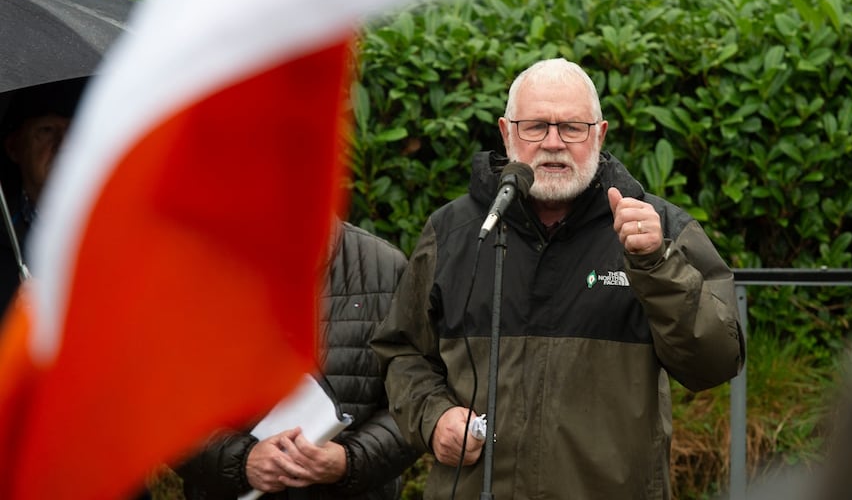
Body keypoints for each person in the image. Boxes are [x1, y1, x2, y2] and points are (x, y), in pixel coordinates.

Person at [370, 58, 746, 499]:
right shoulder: (453, 233)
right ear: (506, 133)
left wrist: (656, 265)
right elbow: (402, 351)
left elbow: (717, 361)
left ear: (600, 135)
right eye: (535, 127)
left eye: (572, 127)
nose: (553, 143)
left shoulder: (657, 230)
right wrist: (432, 418)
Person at [177, 219, 420, 500]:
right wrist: (243, 462)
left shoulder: (386, 268)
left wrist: (348, 461)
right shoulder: (198, 264)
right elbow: (162, 404)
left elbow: (413, 400)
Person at [0, 78, 81, 317]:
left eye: (76, 131)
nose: (65, 145)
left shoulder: (132, 229)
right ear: (14, 147)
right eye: (47, 130)